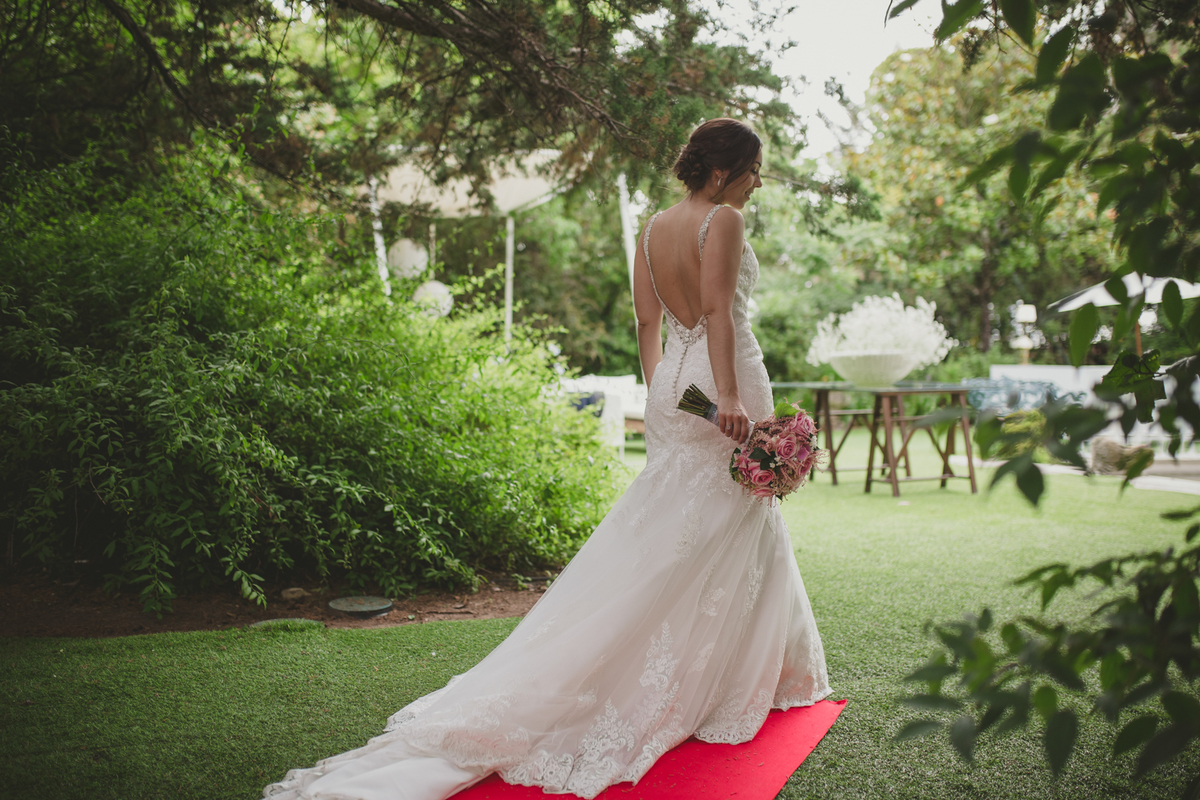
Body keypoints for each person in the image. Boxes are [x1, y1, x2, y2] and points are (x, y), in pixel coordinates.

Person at [263, 118, 830, 800]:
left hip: (673, 388)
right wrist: (732, 398)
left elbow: (648, 324)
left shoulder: (653, 228)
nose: (759, 181)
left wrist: (660, 392)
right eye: (755, 169)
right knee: (728, 526)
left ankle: (742, 674)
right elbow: (716, 313)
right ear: (723, 173)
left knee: (680, 535)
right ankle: (738, 684)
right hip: (721, 385)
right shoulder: (726, 221)